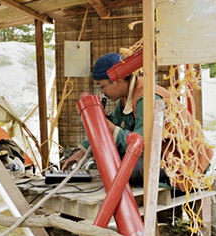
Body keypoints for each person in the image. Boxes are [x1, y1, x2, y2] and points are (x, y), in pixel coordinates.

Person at [62, 53, 170, 186]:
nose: (102, 92)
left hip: (174, 162)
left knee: (127, 169)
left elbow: (143, 145)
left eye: (101, 86)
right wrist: (82, 151)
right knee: (109, 159)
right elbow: (113, 123)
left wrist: (106, 125)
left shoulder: (146, 98)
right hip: (158, 157)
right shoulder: (127, 98)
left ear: (118, 81)